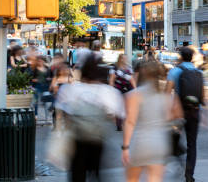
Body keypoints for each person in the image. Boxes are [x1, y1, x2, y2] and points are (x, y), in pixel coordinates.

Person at [55, 54, 125, 182]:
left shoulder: (70, 89)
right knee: (97, 173)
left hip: (77, 139)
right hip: (98, 140)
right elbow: (116, 116)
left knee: (77, 173)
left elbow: (64, 113)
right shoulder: (108, 92)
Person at [122, 60, 182, 182]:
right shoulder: (165, 96)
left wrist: (125, 147)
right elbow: (174, 116)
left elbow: (130, 122)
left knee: (132, 179)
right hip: (160, 144)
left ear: (142, 73)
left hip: (140, 143)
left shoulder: (134, 95)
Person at [166, 47, 204, 182]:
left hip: (178, 112)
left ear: (180, 57)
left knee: (172, 139)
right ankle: (189, 175)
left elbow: (166, 92)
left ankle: (179, 158)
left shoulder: (174, 71)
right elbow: (202, 95)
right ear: (192, 58)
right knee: (192, 144)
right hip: (194, 111)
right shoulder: (199, 72)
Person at [110, 54, 136, 131]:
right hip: (118, 88)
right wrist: (111, 89)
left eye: (126, 58)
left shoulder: (129, 68)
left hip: (128, 88)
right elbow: (112, 79)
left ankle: (126, 122)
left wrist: (135, 89)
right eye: (123, 58)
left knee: (127, 106)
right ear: (120, 59)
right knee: (119, 106)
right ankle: (119, 124)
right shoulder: (115, 68)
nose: (125, 60)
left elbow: (132, 79)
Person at [29, 55, 52, 120]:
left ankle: (47, 116)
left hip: (45, 86)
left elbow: (51, 76)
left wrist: (49, 79)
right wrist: (34, 80)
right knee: (36, 101)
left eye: (41, 61)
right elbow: (31, 78)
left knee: (46, 102)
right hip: (37, 86)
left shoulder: (47, 68)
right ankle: (36, 115)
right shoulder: (35, 69)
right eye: (39, 61)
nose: (40, 62)